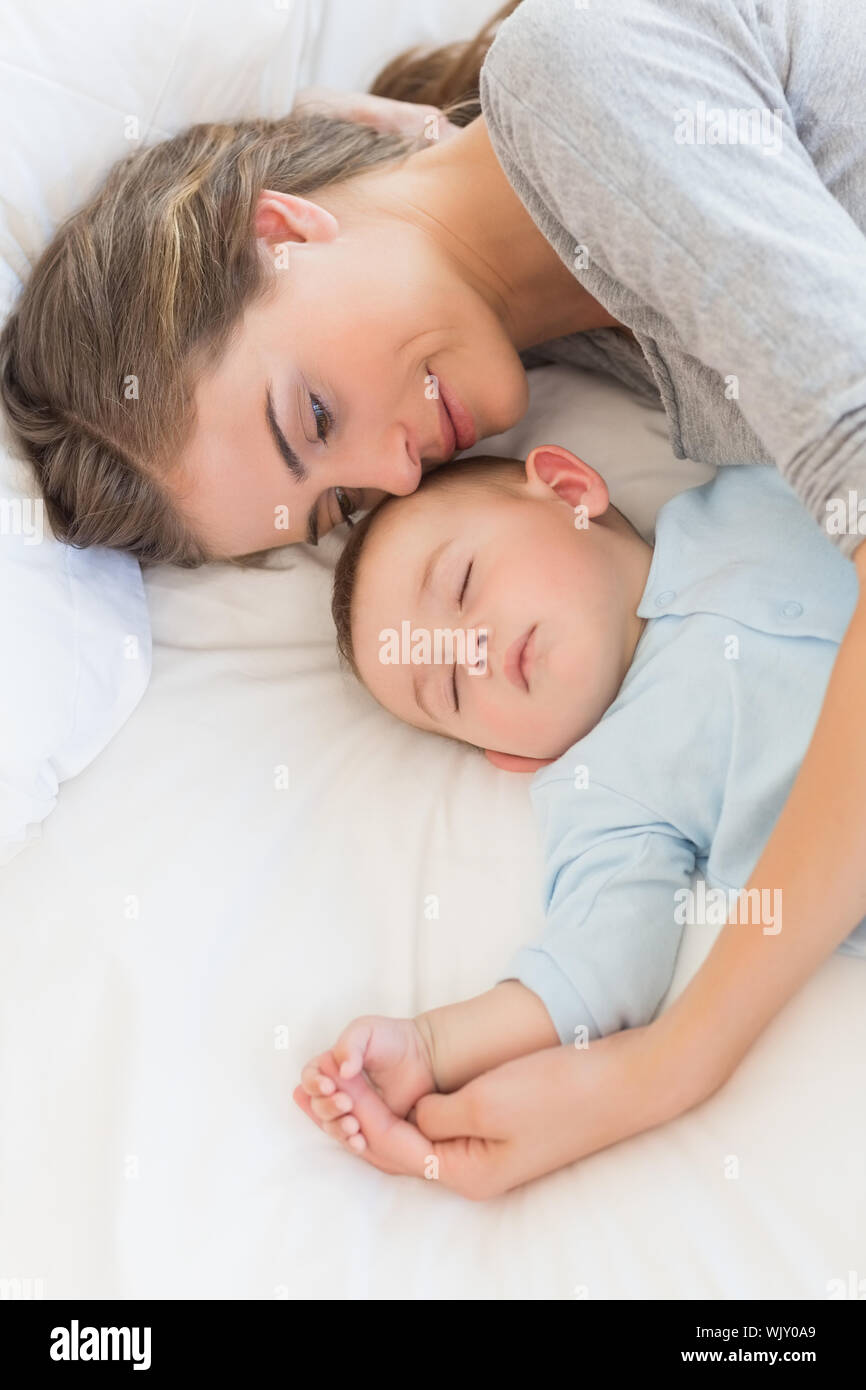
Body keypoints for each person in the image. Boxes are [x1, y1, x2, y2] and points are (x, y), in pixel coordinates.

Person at [4, 0, 866, 1195]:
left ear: (281, 228)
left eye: (311, 419)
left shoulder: (574, 77)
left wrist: (671, 1061)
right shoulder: (580, 339)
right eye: (342, 507)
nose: (397, 469)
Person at [293, 447, 866, 1189]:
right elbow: (595, 968)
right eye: (451, 692)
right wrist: (432, 1047)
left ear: (569, 490)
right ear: (512, 757)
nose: (472, 652)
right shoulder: (606, 792)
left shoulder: (758, 489)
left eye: (464, 585)